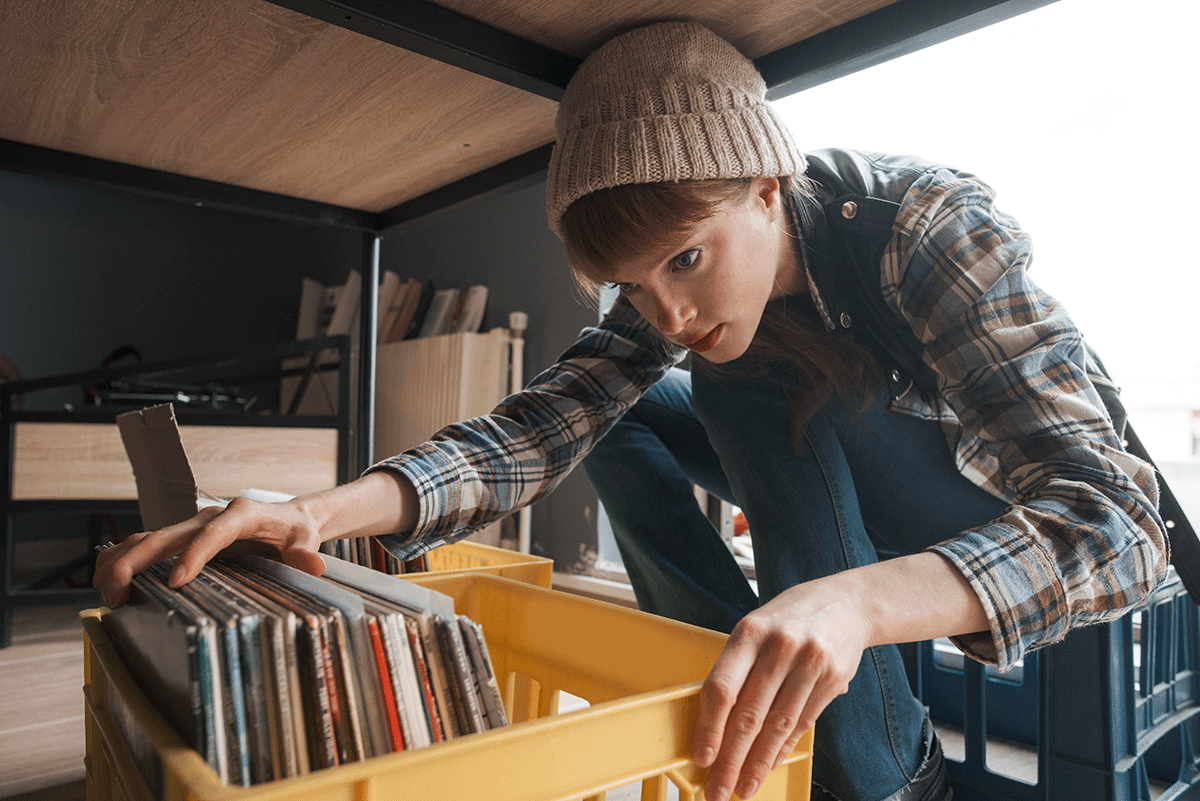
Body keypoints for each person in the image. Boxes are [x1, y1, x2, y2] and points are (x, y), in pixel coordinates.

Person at [94, 20, 1168, 801]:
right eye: (641, 289)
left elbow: (1120, 528)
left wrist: (855, 606)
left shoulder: (926, 223)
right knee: (629, 407)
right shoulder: (677, 302)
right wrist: (317, 516)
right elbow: (536, 428)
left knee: (753, 382)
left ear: (766, 184)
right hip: (823, 486)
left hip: (976, 519)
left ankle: (887, 772)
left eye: (687, 260)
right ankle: (733, 698)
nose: (673, 308)